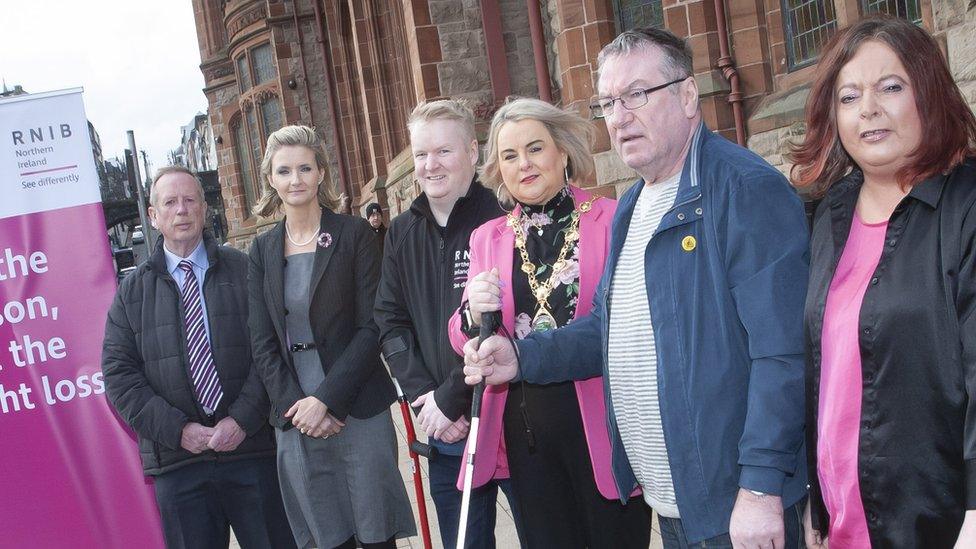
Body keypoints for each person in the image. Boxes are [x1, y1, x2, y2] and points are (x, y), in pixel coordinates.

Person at [463, 27, 810, 548]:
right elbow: (608, 329)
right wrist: (522, 358)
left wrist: (761, 489)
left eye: (637, 95)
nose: (620, 116)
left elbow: (781, 353)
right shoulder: (634, 204)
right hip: (672, 502)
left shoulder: (743, 190)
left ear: (688, 95)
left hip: (734, 505)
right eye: (609, 101)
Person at [789, 16, 976, 548]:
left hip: (941, 522)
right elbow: (825, 373)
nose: (868, 108)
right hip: (848, 521)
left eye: (890, 87)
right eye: (849, 96)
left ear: (930, 92)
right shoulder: (831, 214)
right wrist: (819, 505)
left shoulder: (965, 206)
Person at [446, 97, 652, 548]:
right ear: (499, 170)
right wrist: (469, 313)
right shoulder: (487, 237)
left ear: (562, 151)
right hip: (526, 436)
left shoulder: (612, 220)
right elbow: (463, 335)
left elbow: (623, 325)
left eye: (535, 148)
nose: (524, 164)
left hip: (603, 428)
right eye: (509, 155)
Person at [101, 166, 294, 549]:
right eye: (170, 202)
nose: (182, 210)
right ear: (154, 216)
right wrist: (178, 431)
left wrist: (241, 420)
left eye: (190, 200)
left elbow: (271, 349)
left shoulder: (245, 270)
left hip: (251, 450)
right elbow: (119, 376)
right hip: (178, 465)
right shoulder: (131, 293)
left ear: (205, 209)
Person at [247, 125, 415, 549]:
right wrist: (296, 406)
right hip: (295, 415)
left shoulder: (354, 234)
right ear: (271, 178)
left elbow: (371, 325)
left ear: (321, 172)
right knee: (327, 538)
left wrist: (327, 400)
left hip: (356, 406)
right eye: (284, 171)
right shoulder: (262, 251)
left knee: (376, 536)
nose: (296, 179)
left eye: (305, 168)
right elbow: (262, 342)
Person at [374, 99, 520, 549]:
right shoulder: (401, 231)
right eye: (421, 154)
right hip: (445, 430)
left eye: (443, 151)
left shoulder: (503, 216)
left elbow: (510, 320)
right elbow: (390, 322)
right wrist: (426, 400)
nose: (430, 165)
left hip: (511, 421)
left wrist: (451, 395)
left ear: (473, 153)